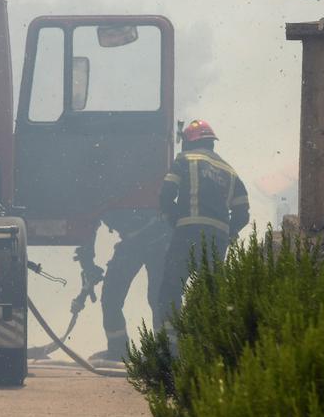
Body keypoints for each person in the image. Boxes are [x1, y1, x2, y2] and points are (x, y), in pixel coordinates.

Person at [157, 119, 249, 322]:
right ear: (211, 143)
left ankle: (169, 347)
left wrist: (174, 219)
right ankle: (207, 343)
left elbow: (165, 195)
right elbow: (243, 214)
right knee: (211, 293)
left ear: (188, 142)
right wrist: (228, 234)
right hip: (217, 241)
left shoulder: (184, 160)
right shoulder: (229, 172)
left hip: (187, 234)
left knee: (171, 289)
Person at [89, 209, 171, 364]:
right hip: (133, 242)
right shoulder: (96, 194)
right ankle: (118, 351)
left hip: (159, 237)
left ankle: (166, 351)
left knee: (158, 297)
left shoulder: (102, 190)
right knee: (110, 297)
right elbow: (88, 225)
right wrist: (88, 264)